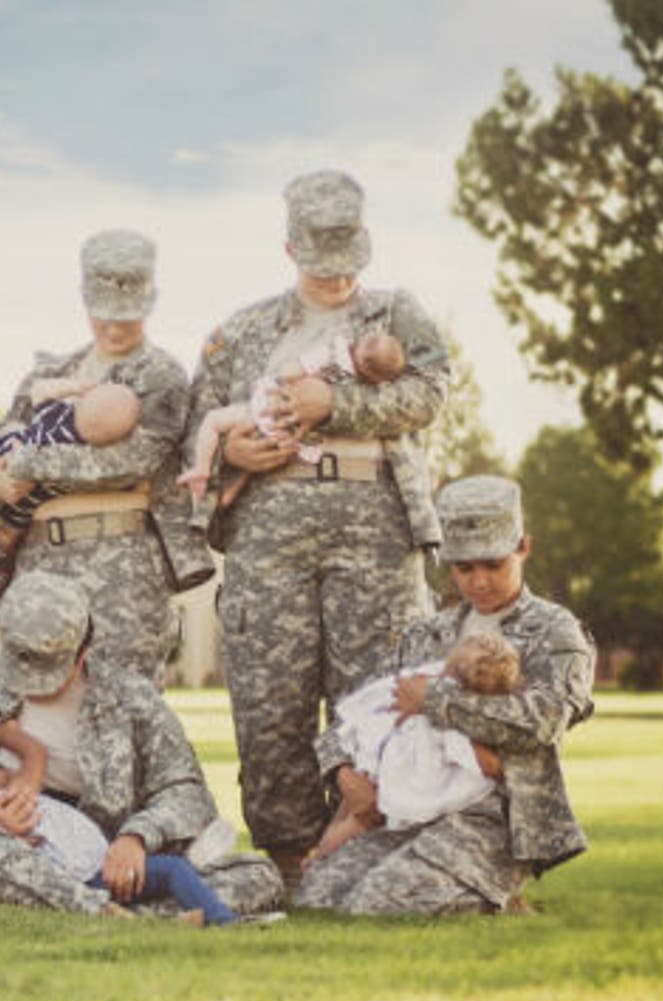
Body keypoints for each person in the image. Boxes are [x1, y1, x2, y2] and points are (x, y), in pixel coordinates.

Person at [179, 171, 451, 890]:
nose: (337, 279)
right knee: (272, 699)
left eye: (348, 263)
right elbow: (192, 421)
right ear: (289, 248)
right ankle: (291, 862)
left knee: (377, 693)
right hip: (270, 528)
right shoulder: (241, 332)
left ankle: (379, 850)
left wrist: (338, 402)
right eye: (321, 264)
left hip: (375, 525)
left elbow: (431, 391)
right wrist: (230, 453)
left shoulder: (396, 314)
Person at [298, 476, 595, 915]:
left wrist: (436, 701)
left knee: (380, 904)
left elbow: (543, 719)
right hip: (407, 804)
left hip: (494, 814)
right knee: (318, 898)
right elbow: (362, 710)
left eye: (493, 564)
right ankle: (471, 890)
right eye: (464, 568)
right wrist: (342, 772)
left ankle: (494, 895)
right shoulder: (427, 634)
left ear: (523, 548)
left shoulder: (553, 631)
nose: (478, 581)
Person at [0, 572, 283, 918]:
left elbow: (186, 793)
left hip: (118, 864)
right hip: (26, 861)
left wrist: (136, 837)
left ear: (82, 652)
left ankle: (107, 911)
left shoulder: (131, 700)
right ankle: (119, 914)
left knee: (258, 876)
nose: (33, 682)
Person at [0, 230, 212, 686]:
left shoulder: (160, 375)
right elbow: (1, 445)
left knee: (123, 712)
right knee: (36, 709)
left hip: (123, 568)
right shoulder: (47, 375)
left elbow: (132, 459)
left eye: (129, 315)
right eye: (105, 315)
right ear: (86, 301)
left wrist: (30, 465)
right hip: (39, 561)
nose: (116, 327)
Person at [0, 748, 239, 926]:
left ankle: (182, 913)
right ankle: (217, 919)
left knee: (251, 873)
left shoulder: (16, 793)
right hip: (85, 879)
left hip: (101, 864)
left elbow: (34, 758)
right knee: (173, 871)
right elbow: (33, 756)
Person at [313, 631, 517, 860]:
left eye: (486, 648)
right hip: (377, 754)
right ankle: (319, 855)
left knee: (358, 819)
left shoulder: (444, 711)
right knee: (350, 808)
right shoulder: (427, 675)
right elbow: (383, 693)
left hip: (401, 773)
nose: (487, 642)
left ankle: (320, 857)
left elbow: (471, 754)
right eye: (485, 641)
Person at [181, 330, 405, 502]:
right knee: (263, 458)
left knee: (212, 421)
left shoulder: (332, 353)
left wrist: (287, 377)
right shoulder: (360, 386)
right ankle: (231, 491)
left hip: (268, 408)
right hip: (296, 441)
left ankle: (201, 469)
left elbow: (289, 373)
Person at [0, 381, 142, 554]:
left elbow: (39, 391)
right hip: (40, 495)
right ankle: (9, 532)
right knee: (29, 506)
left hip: (13, 454)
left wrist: (75, 387)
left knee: (9, 432)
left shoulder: (57, 415)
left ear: (81, 402)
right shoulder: (88, 454)